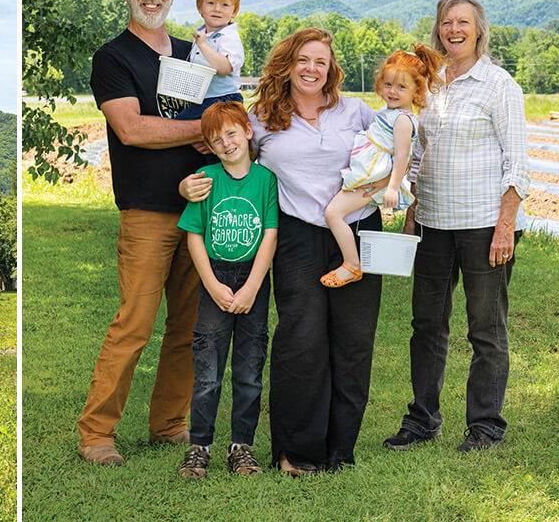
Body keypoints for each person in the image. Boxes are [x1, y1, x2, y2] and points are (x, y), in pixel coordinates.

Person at [181, 27, 379, 474]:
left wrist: (394, 190)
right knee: (301, 341)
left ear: (331, 69)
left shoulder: (355, 111)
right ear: (287, 65)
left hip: (357, 232)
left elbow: (400, 147)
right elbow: (227, 158)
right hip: (297, 235)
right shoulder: (260, 117)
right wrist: (185, 186)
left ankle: (340, 450)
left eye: (321, 61)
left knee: (353, 342)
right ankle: (296, 452)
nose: (312, 69)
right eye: (303, 60)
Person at [76, 0, 209, 468]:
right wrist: (202, 129)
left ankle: (169, 423)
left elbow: (224, 111)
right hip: (148, 211)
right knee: (134, 323)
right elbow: (131, 129)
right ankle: (96, 433)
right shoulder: (114, 57)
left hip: (201, 208)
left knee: (189, 327)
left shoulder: (193, 54)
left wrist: (219, 128)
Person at [384, 0, 529, 453]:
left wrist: (505, 226)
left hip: (484, 224)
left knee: (485, 329)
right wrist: (411, 213)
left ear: (478, 30)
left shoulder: (499, 84)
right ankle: (422, 420)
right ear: (438, 31)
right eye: (447, 22)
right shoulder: (428, 85)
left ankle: (485, 426)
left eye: (463, 22)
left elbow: (517, 163)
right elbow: (418, 155)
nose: (454, 30)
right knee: (427, 324)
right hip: (433, 223)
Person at [175, 102, 278, 478]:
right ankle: (199, 446)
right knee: (207, 371)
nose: (226, 144)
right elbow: (194, 235)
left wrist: (252, 286)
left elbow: (270, 234)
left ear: (248, 132)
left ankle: (241, 447)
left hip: (253, 280)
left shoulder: (266, 180)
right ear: (209, 146)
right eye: (216, 140)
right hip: (215, 278)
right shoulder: (205, 178)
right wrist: (212, 285)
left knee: (249, 370)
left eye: (232, 134)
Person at [320, 46, 444, 288]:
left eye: (401, 87)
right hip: (369, 171)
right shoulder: (390, 112)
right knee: (334, 212)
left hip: (374, 177)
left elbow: (402, 157)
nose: (392, 91)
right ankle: (351, 262)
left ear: (417, 90)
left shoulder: (402, 120)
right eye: (388, 84)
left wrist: (393, 188)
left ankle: (351, 265)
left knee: (333, 213)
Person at [175, 0, 246, 121]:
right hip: (203, 99)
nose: (217, 9)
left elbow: (225, 68)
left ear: (234, 11)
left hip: (224, 100)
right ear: (199, 7)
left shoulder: (229, 37)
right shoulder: (202, 34)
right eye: (211, 3)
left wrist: (203, 45)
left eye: (225, 5)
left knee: (179, 124)